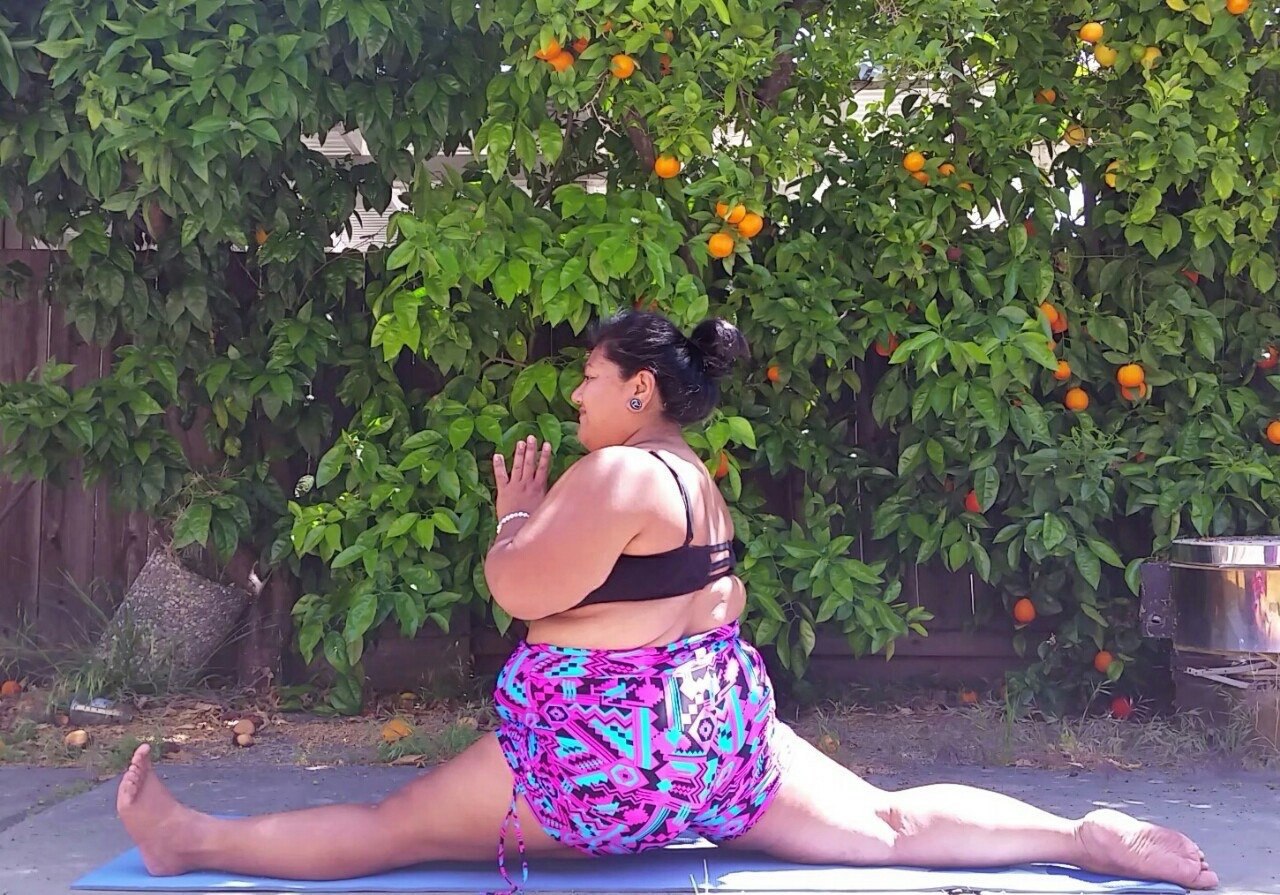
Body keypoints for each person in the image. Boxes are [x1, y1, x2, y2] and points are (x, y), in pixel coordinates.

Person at [116, 310, 1217, 891]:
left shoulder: (618, 473)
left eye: (590, 378)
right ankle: (1079, 835)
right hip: (715, 745)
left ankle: (190, 843)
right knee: (885, 825)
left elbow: (516, 590)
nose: (576, 394)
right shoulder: (696, 478)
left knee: (388, 828)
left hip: (598, 763)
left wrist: (513, 518)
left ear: (638, 387)